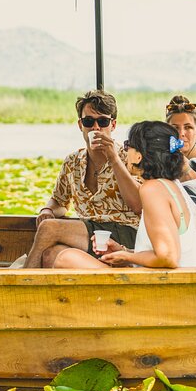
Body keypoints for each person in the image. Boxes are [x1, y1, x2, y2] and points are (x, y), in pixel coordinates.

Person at [52, 121, 196, 268]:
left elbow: (168, 257)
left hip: (170, 291)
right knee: (65, 256)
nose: (124, 149)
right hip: (180, 283)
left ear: (138, 155)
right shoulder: (172, 185)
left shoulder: (152, 189)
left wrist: (125, 256)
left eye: (128, 145)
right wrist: (125, 252)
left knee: (66, 258)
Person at [24, 90, 141, 268]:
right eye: (88, 121)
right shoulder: (73, 162)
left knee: (49, 228)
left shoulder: (128, 158)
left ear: (113, 125)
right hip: (90, 234)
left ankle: (23, 283)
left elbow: (138, 205)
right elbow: (59, 201)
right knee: (50, 255)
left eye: (102, 121)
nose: (95, 128)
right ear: (80, 125)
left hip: (125, 233)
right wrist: (47, 209)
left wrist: (114, 159)